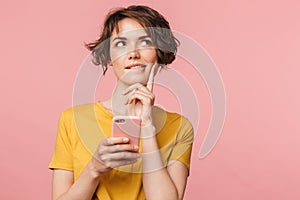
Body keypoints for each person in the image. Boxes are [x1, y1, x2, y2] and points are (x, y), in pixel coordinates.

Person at [49, 5, 194, 200]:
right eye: (120, 43)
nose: (133, 53)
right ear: (109, 57)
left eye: (144, 41)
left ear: (159, 53)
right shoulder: (72, 120)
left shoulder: (179, 127)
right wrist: (94, 169)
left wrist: (148, 128)